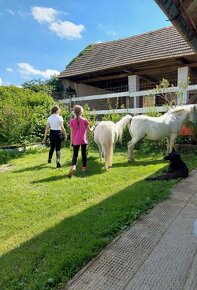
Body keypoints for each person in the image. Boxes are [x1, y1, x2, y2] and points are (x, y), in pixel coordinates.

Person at [67, 105, 94, 177]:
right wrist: (93, 127)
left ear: (74, 112)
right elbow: (90, 130)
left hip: (75, 141)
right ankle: (84, 168)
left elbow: (71, 133)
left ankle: (73, 166)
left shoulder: (72, 121)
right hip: (83, 140)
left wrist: (71, 142)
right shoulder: (85, 120)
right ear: (81, 112)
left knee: (75, 154)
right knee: (84, 154)